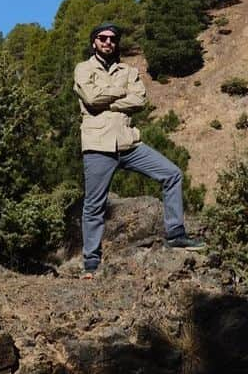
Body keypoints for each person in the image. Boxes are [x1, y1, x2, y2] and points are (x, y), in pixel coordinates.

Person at [74, 22, 204, 274]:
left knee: (172, 174)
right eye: (102, 38)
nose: (108, 42)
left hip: (128, 142)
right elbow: (90, 98)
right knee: (94, 205)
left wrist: (106, 101)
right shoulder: (83, 68)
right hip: (98, 145)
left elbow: (139, 100)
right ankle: (91, 262)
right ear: (94, 42)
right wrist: (119, 92)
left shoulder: (128, 70)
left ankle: (176, 233)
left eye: (112, 39)